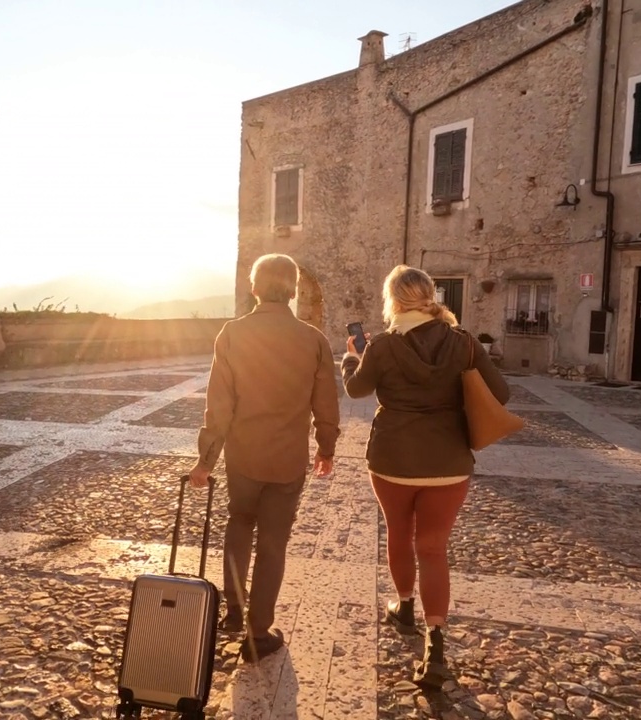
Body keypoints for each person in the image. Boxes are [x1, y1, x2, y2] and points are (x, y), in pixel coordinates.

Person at [340, 265, 509, 691]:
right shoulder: (464, 342)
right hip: (449, 461)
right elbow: (501, 394)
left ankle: (404, 607)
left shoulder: (381, 345)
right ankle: (435, 644)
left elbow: (357, 390)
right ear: (430, 296)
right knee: (433, 548)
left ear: (393, 300)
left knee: (399, 533)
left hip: (393, 456)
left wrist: (350, 359)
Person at [188, 253, 340, 662]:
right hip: (287, 461)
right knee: (273, 544)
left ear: (254, 288)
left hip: (243, 457)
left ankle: (234, 612)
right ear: (293, 290)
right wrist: (326, 448)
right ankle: (257, 634)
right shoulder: (314, 340)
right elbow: (326, 405)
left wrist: (206, 461)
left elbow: (218, 406)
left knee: (239, 524)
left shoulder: (232, 334)